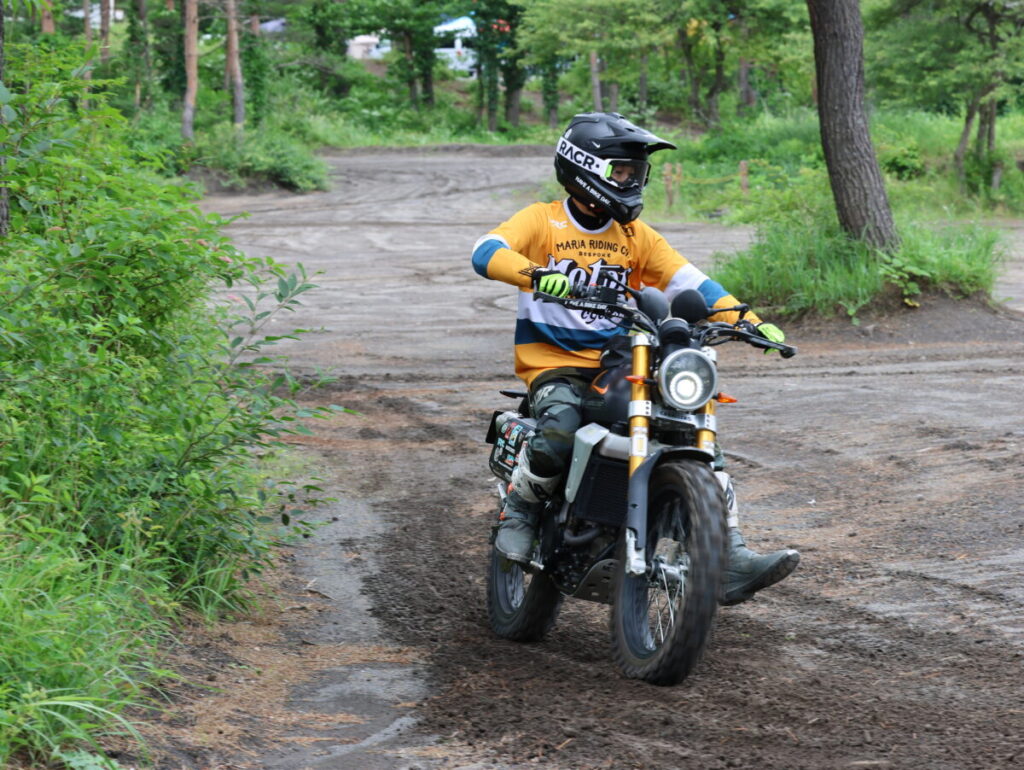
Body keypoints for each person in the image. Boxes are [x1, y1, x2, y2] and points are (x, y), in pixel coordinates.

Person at [471, 112, 799, 605]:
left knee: (695, 431)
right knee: (559, 429)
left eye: (635, 175)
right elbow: (486, 250)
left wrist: (746, 317)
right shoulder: (542, 221)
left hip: (624, 361)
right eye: (621, 172)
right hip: (555, 363)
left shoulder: (635, 235)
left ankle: (727, 552)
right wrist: (535, 275)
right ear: (585, 169)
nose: (631, 182)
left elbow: (688, 280)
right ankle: (519, 509)